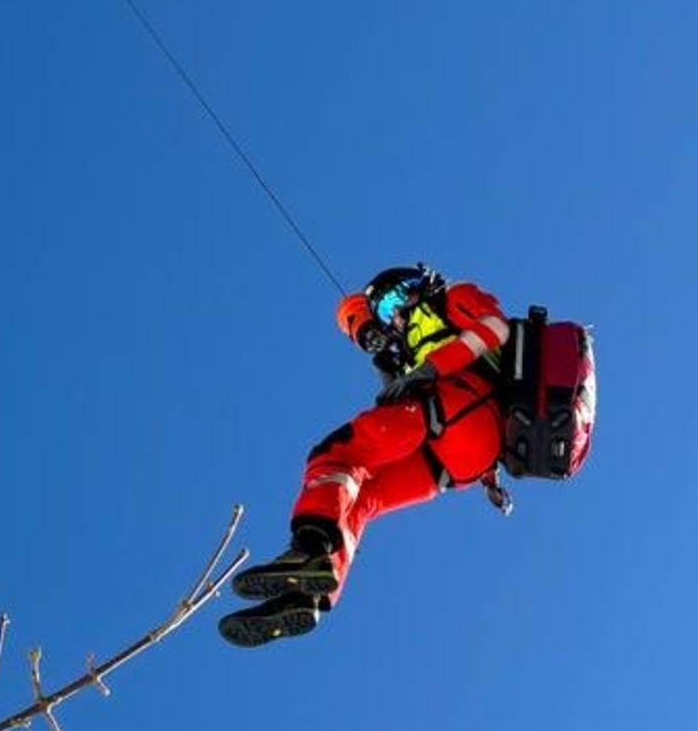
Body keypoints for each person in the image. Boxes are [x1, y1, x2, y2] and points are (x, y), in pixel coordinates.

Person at [217, 263, 511, 647]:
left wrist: (428, 371)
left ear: (418, 284)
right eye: (386, 311)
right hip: (456, 457)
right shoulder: (405, 350)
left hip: (456, 403)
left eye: (395, 299)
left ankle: (308, 549)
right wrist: (377, 344)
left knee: (336, 454)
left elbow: (497, 329)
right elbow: (350, 311)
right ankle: (310, 596)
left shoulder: (451, 297)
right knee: (362, 500)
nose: (395, 315)